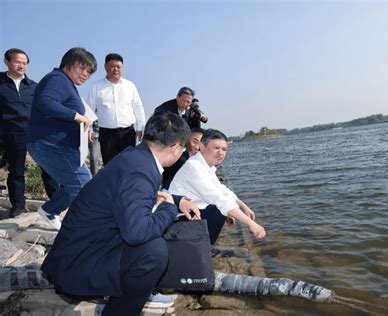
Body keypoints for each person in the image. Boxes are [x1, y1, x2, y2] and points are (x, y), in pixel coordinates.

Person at [41, 113, 200, 316]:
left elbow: (138, 198)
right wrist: (168, 209)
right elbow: (137, 233)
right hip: (77, 267)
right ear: (175, 146)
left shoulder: (137, 158)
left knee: (155, 236)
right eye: (184, 147)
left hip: (82, 252)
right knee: (154, 252)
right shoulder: (140, 171)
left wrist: (177, 201)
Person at [27, 47, 97, 230]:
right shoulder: (57, 79)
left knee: (74, 182)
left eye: (89, 72)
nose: (85, 74)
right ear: (68, 63)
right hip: (50, 143)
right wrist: (77, 116)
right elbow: (46, 102)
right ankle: (81, 229)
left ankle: (50, 211)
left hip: (57, 144)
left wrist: (82, 128)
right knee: (82, 186)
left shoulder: (66, 83)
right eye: (82, 68)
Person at [169, 129, 266, 244]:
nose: (221, 153)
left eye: (224, 149)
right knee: (219, 209)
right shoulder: (194, 167)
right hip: (178, 220)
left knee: (221, 210)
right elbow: (218, 198)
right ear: (202, 147)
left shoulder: (205, 165)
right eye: (216, 148)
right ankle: (202, 248)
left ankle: (205, 247)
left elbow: (221, 190)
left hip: (192, 213)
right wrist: (251, 224)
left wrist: (244, 206)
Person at [0, 48, 58, 218]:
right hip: (11, 133)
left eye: (25, 63)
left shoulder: (34, 86)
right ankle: (18, 206)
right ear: (7, 62)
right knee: (16, 171)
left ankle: (56, 202)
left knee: (48, 168)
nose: (21, 66)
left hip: (35, 132)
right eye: (18, 62)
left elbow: (45, 108)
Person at [87, 53, 146, 165]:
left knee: (128, 165)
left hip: (128, 133)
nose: (116, 69)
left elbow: (138, 107)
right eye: (112, 66)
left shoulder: (130, 86)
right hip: (107, 135)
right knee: (110, 166)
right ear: (105, 67)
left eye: (119, 67)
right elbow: (89, 110)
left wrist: (140, 126)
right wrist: (89, 130)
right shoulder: (96, 87)